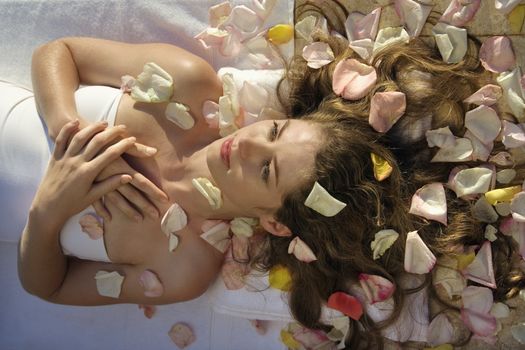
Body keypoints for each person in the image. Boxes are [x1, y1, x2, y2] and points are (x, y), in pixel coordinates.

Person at [6, 3, 524, 350]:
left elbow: (45, 286)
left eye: (267, 167)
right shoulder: (187, 87)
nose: (248, 141)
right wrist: (65, 131)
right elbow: (59, 53)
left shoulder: (184, 265)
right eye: (276, 130)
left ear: (277, 224)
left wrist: (49, 211)